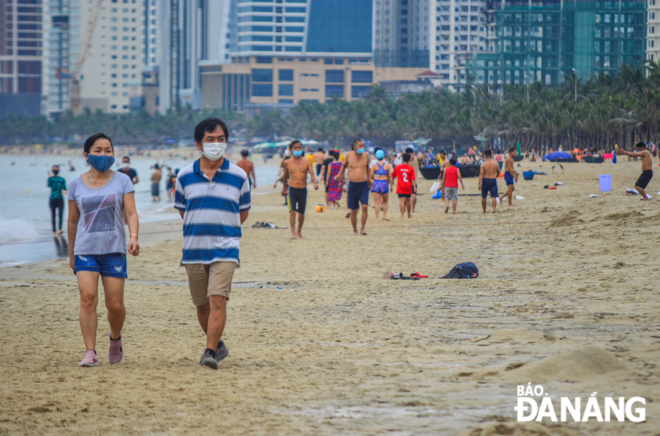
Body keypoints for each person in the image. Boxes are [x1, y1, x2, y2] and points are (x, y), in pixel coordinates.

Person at [174, 118, 251, 370]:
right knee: (202, 304)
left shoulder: (239, 176)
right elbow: (184, 211)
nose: (216, 144)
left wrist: (223, 228)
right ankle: (218, 345)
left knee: (218, 299)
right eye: (210, 139)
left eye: (220, 139)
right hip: (194, 248)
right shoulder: (184, 176)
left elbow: (242, 212)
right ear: (199, 143)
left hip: (226, 248)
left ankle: (209, 352)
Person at [67, 133, 139, 367]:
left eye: (108, 150)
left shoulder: (122, 181)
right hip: (85, 250)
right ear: (87, 155)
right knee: (88, 299)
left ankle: (115, 339)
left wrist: (134, 237)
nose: (104, 155)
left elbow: (131, 213)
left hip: (114, 249)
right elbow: (72, 221)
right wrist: (71, 254)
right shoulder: (75, 184)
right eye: (98, 151)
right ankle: (90, 351)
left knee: (115, 306)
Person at [281, 140, 318, 239]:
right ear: (291, 149)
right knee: (292, 212)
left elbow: (312, 173)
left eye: (299, 147)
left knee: (301, 213)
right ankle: (293, 233)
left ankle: (299, 231)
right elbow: (285, 176)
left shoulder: (307, 161)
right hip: (291, 190)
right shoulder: (287, 162)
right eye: (296, 148)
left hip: (302, 190)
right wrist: (284, 188)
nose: (298, 149)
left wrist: (315, 183)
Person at [335, 138, 370, 235]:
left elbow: (368, 168)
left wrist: (369, 179)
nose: (362, 148)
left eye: (363, 146)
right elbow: (343, 166)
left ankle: (362, 228)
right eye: (360, 146)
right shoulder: (348, 155)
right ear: (354, 147)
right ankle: (355, 229)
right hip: (353, 185)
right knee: (353, 210)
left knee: (364, 206)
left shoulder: (366, 155)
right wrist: (339, 176)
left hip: (363, 185)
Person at [369, 149, 391, 221]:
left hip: (376, 183)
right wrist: (391, 185)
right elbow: (390, 176)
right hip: (384, 183)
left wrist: (373, 180)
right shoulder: (387, 165)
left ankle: (377, 217)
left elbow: (371, 176)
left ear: (376, 156)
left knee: (376, 202)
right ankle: (384, 215)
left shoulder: (374, 165)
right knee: (385, 201)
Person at [392, 152, 416, 219]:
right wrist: (414, 187)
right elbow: (413, 179)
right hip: (408, 186)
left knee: (401, 201)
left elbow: (393, 175)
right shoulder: (411, 168)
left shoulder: (398, 167)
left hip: (400, 186)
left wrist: (392, 182)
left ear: (402, 159)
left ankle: (402, 215)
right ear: (409, 160)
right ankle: (408, 214)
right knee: (408, 200)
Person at [478, 149, 501, 213]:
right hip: (493, 179)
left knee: (483, 196)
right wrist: (495, 176)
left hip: (485, 180)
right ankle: (493, 209)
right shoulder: (496, 163)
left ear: (485, 156)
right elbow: (498, 172)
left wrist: (479, 183)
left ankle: (484, 210)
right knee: (493, 196)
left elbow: (481, 174)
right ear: (491, 155)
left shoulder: (483, 164)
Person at [47, 165, 67, 236]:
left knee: (60, 214)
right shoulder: (50, 179)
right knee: (53, 215)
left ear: (58, 170)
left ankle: (60, 229)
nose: (55, 170)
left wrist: (64, 191)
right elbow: (49, 185)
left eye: (56, 169)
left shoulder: (62, 179)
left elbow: (65, 188)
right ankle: (54, 231)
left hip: (60, 199)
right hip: (52, 198)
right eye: (54, 169)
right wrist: (50, 179)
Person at [406, 147, 421, 213]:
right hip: (415, 180)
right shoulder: (416, 159)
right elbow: (419, 166)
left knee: (406, 195)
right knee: (414, 194)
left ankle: (406, 208)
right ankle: (412, 208)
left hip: (407, 179)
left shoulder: (406, 159)